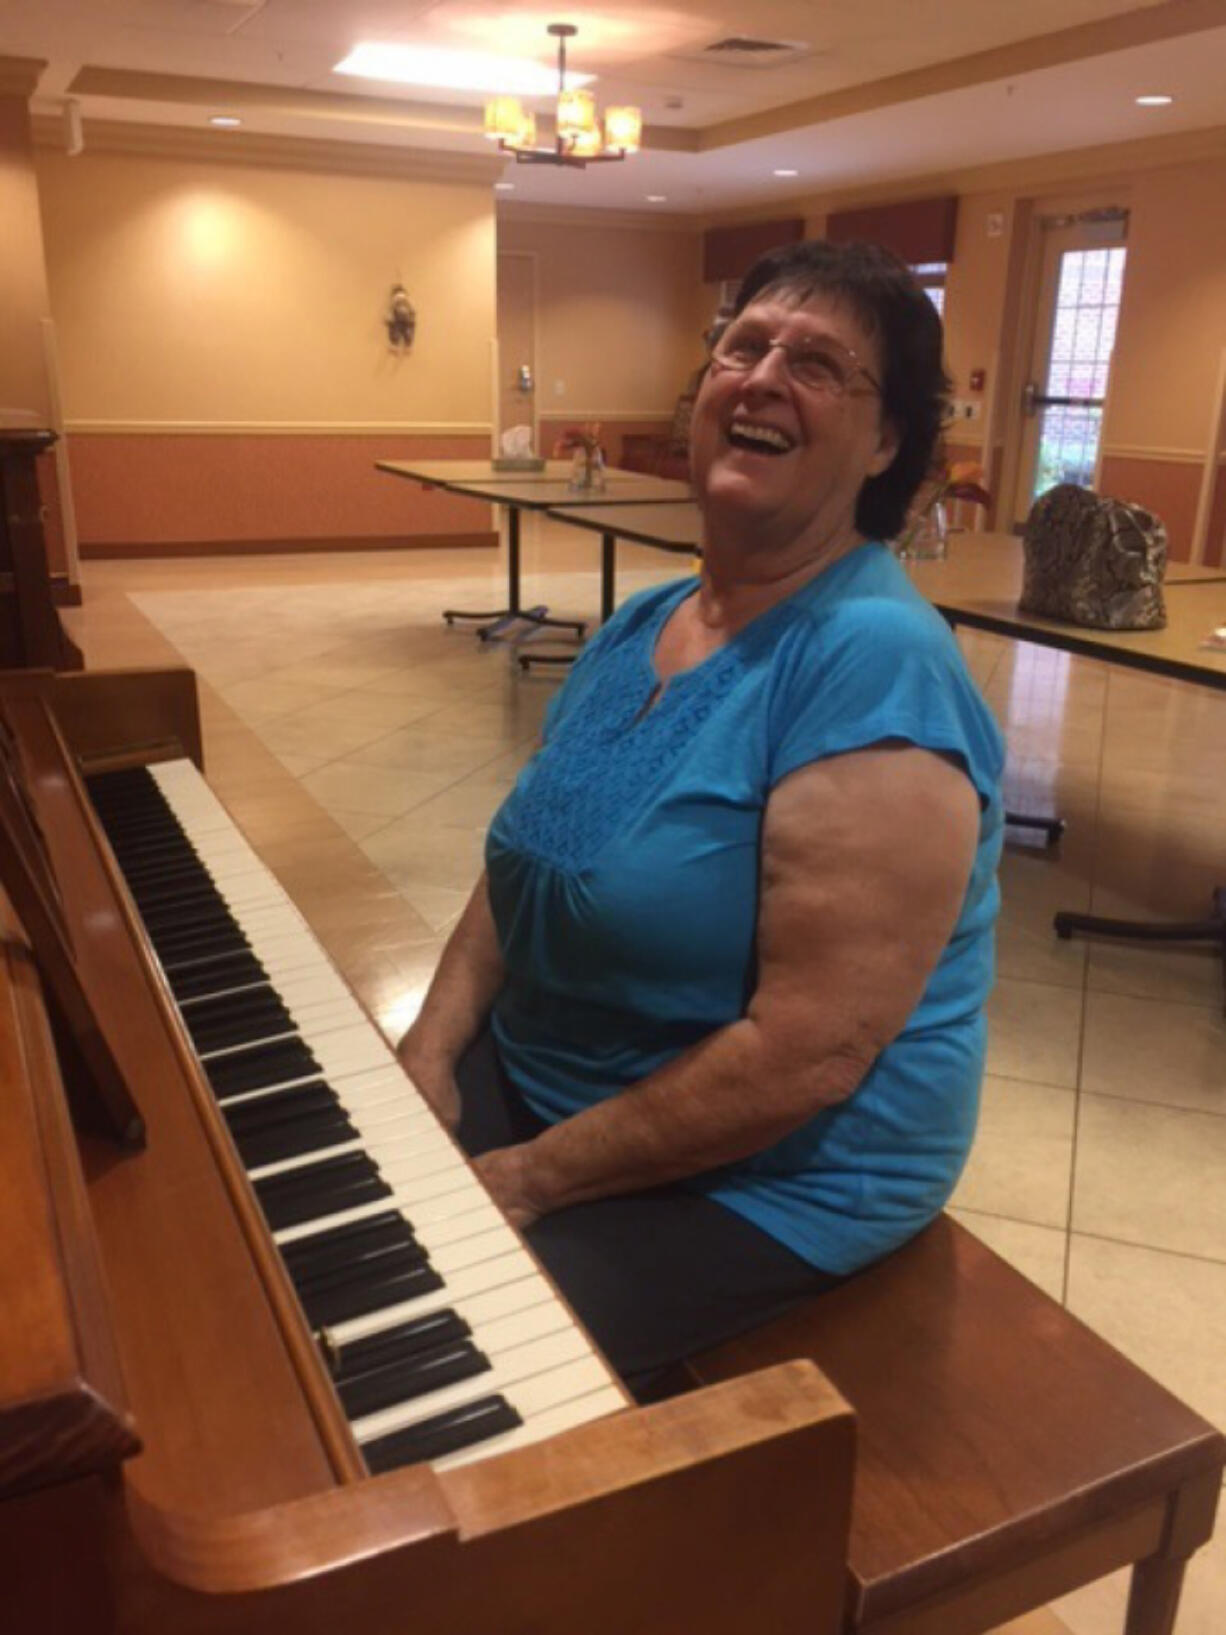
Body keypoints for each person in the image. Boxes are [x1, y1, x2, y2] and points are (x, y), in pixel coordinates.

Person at [398, 239, 1004, 1398]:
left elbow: (809, 1052)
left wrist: (524, 1179)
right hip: (555, 1078)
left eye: (819, 364)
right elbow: (529, 854)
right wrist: (429, 1048)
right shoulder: (651, 619)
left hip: (770, 1180)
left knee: (417, 1370)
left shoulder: (872, 663)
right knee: (300, 1217)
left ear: (885, 445)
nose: (763, 376)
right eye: (743, 347)